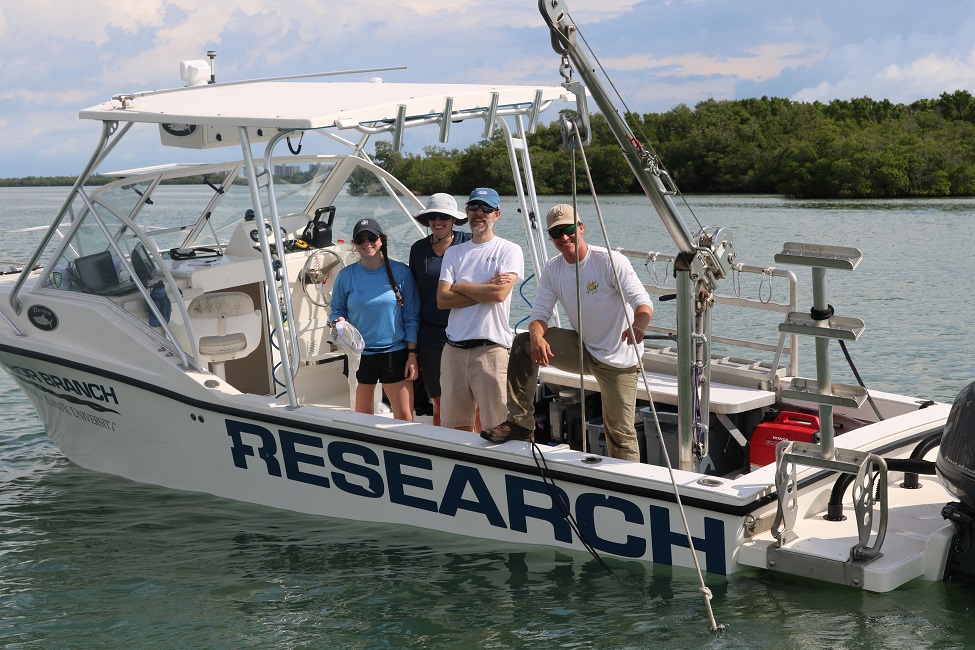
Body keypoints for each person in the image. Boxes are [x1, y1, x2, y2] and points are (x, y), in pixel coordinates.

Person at [481, 203, 653, 461]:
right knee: (523, 343)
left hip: (620, 357)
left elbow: (643, 303)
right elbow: (540, 313)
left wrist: (638, 325)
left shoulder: (609, 261)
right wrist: (537, 336)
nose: (564, 237)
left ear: (581, 228)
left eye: (569, 229)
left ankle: (632, 481)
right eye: (556, 233)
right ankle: (520, 424)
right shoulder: (553, 268)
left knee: (619, 432)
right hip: (583, 348)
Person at [437, 188, 524, 432]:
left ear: (497, 213)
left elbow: (499, 294)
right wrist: (485, 290)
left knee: (496, 427)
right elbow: (442, 300)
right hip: (453, 350)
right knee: (454, 428)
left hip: (491, 351)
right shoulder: (453, 253)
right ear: (466, 212)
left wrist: (461, 286)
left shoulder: (509, 250)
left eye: (486, 208)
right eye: (474, 207)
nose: (479, 213)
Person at [330, 218, 420, 421]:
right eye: (360, 238)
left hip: (395, 353)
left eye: (371, 237)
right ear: (354, 244)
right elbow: (336, 310)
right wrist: (338, 321)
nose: (366, 242)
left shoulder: (402, 273)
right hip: (360, 356)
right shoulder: (346, 276)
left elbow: (411, 316)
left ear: (382, 240)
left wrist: (412, 353)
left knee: (404, 418)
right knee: (362, 418)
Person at [408, 193, 472, 426]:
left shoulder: (468, 243)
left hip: (466, 333)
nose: (438, 220)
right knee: (439, 404)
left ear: (453, 219)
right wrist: (411, 348)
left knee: (472, 405)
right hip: (431, 337)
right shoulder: (418, 250)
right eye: (432, 216)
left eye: (443, 216)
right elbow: (413, 298)